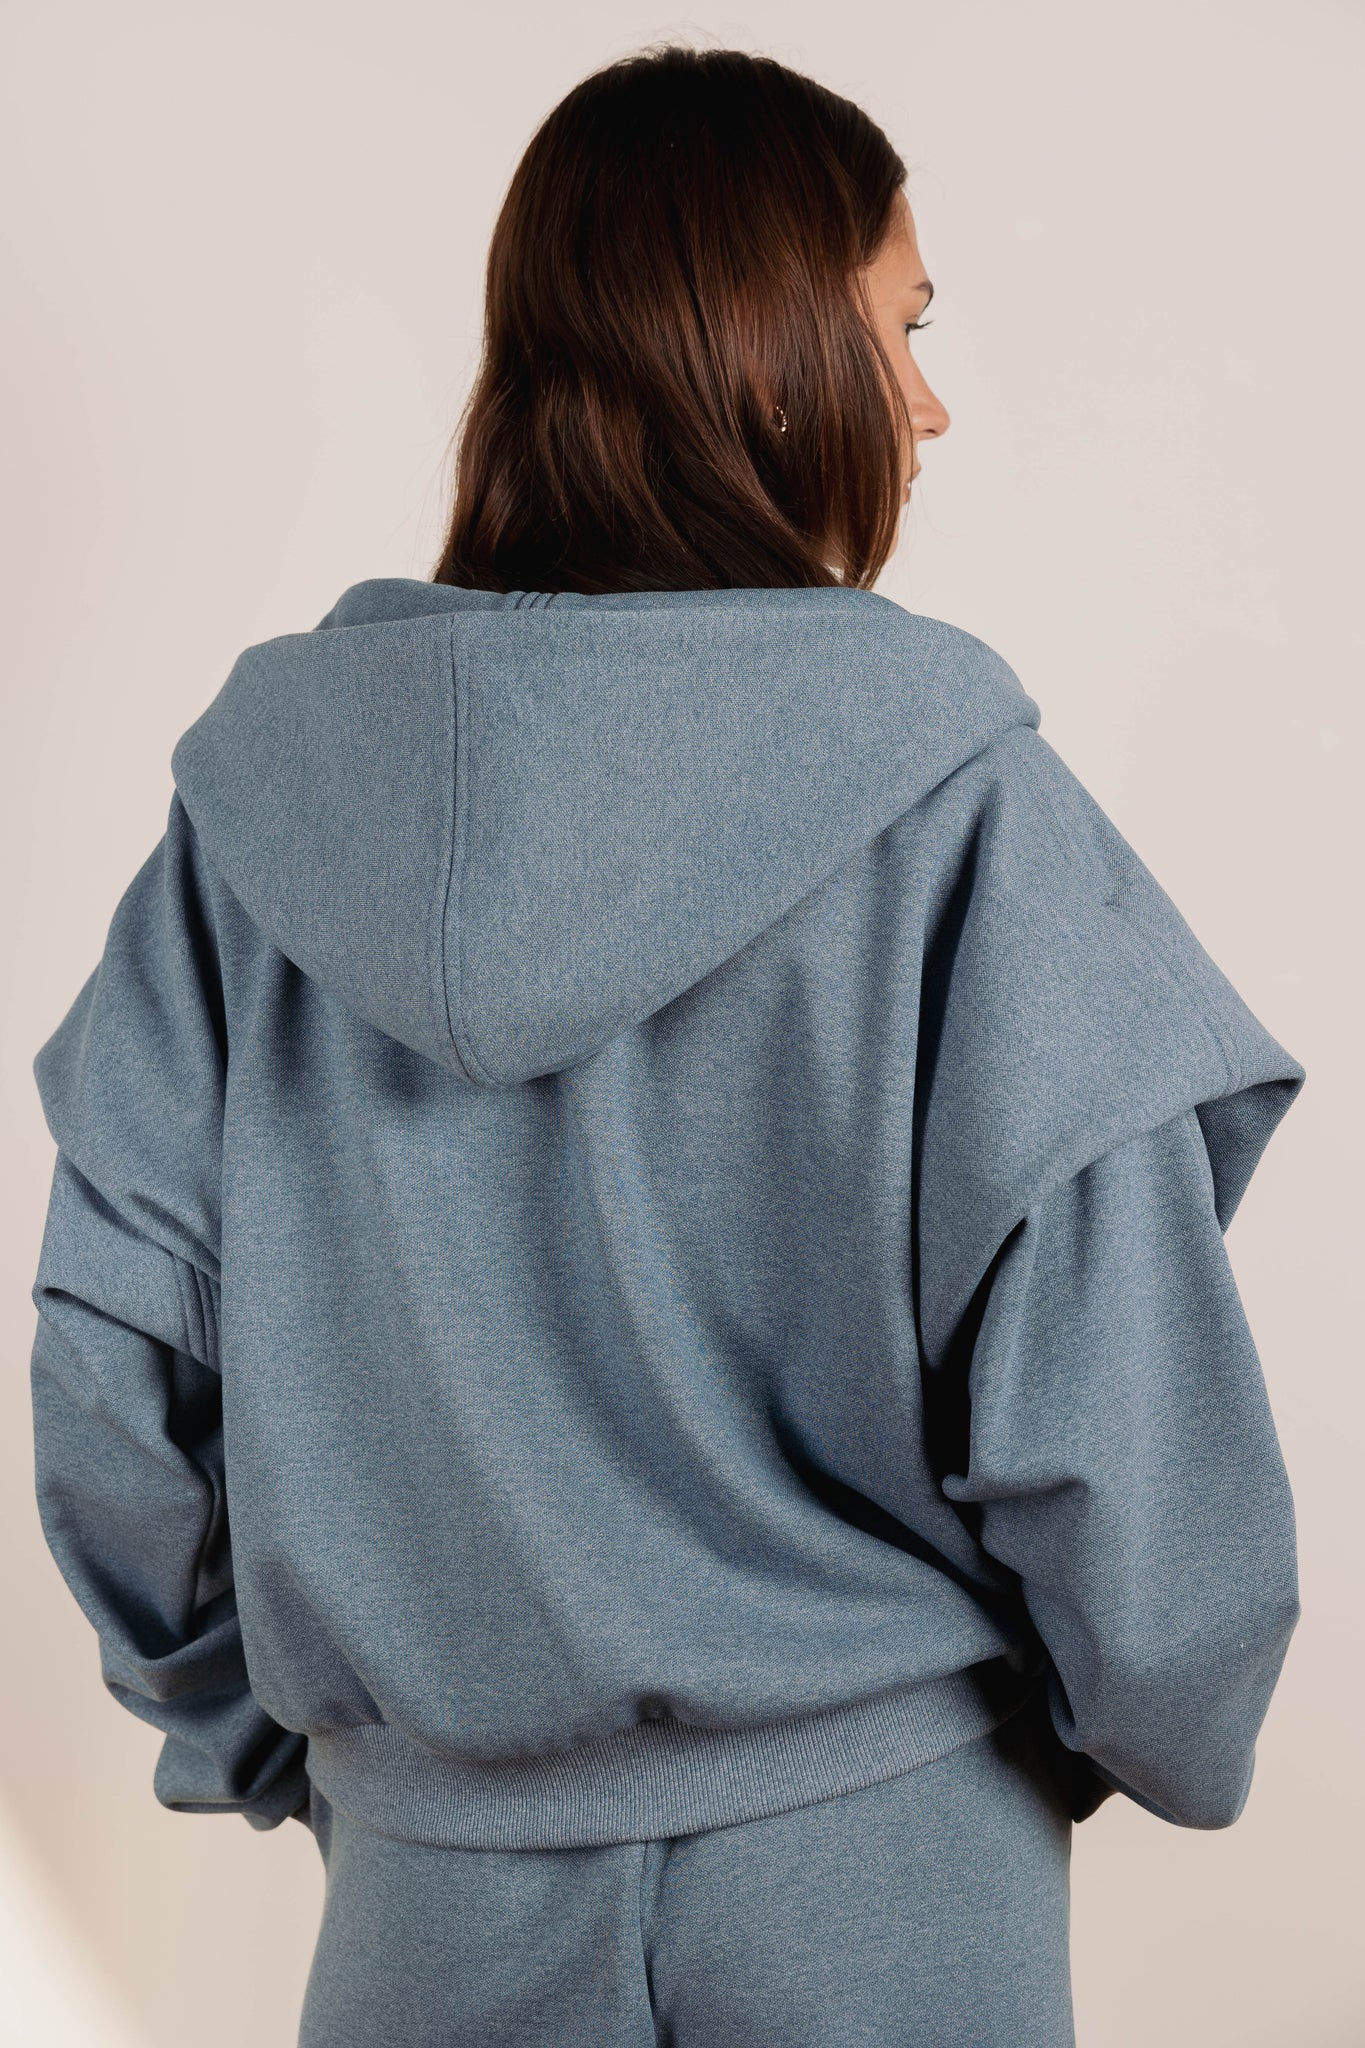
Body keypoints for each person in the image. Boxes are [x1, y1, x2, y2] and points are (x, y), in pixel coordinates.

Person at [28, 45, 1304, 2048]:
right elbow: (1109, 1371)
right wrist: (1149, 1712)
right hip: (889, 1867)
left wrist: (310, 1750)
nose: (929, 403)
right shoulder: (952, 799)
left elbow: (113, 1380)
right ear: (771, 361)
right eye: (901, 328)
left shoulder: (252, 830)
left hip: (431, 1902)